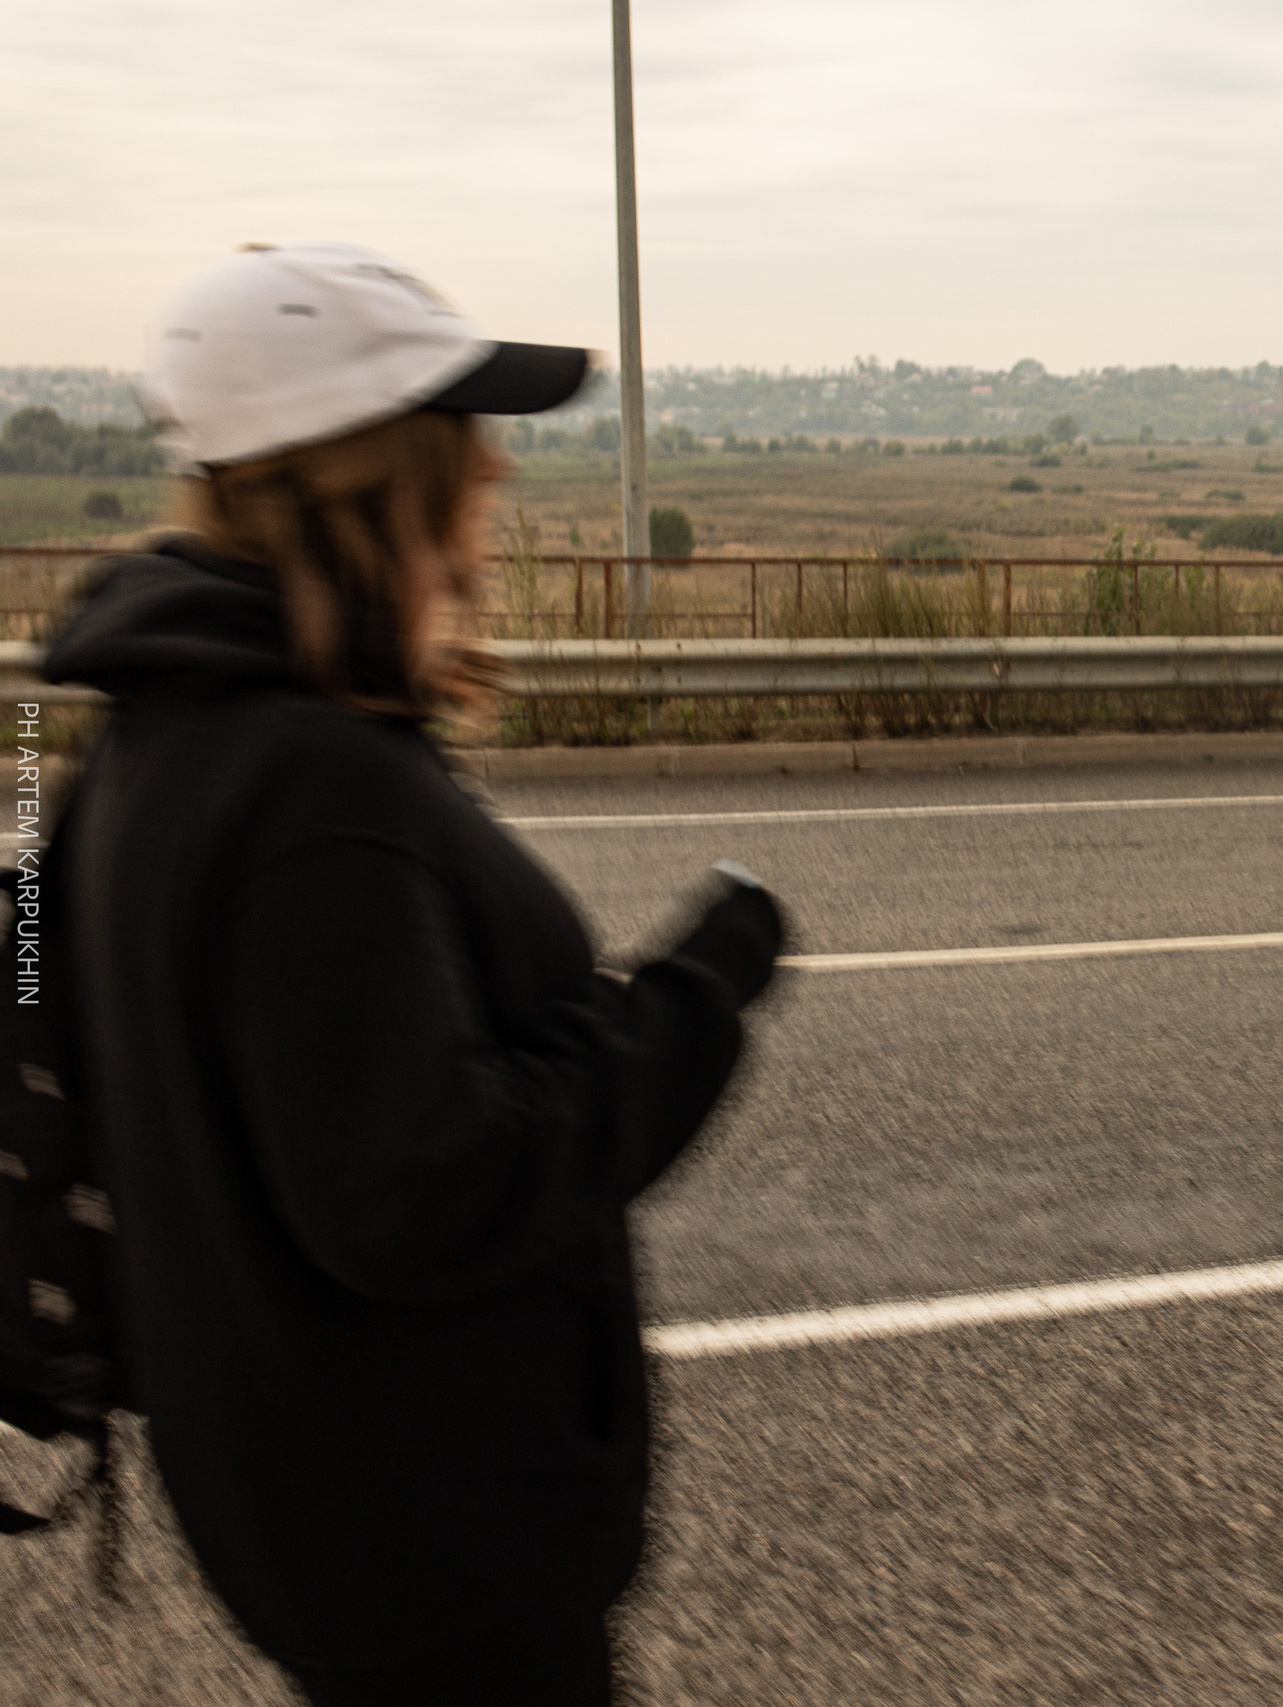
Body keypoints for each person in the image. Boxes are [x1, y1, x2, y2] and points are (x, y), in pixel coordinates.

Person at [41, 242, 784, 1706]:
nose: (495, 476)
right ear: (377, 475)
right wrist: (699, 992)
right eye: (465, 444)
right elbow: (420, 1187)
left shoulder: (146, 736)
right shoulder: (314, 786)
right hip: (428, 1535)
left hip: (303, 1496)